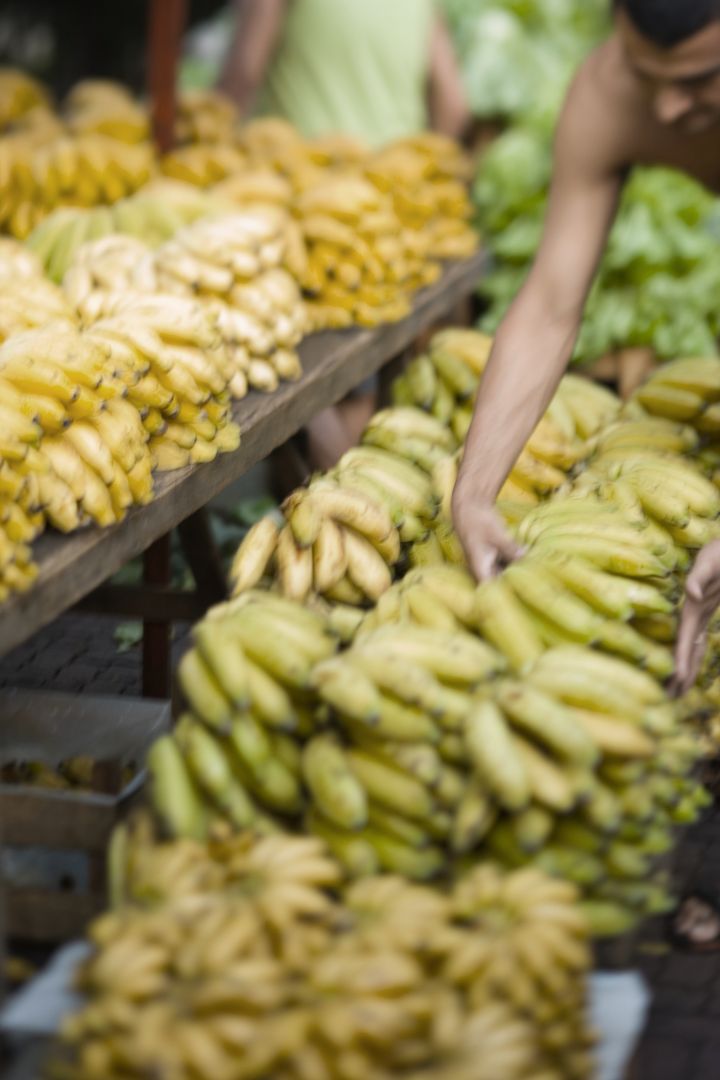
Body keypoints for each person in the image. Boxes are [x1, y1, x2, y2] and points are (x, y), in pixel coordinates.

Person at [451, 0, 720, 693]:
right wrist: (475, 494)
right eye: (645, 72)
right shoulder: (607, 96)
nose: (664, 109)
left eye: (699, 79)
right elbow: (548, 305)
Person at [220, 0, 469, 473]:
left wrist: (201, 149)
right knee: (359, 381)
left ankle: (343, 502)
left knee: (299, 369)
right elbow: (454, 105)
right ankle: (350, 495)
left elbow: (244, 74)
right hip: (391, 220)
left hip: (308, 214)